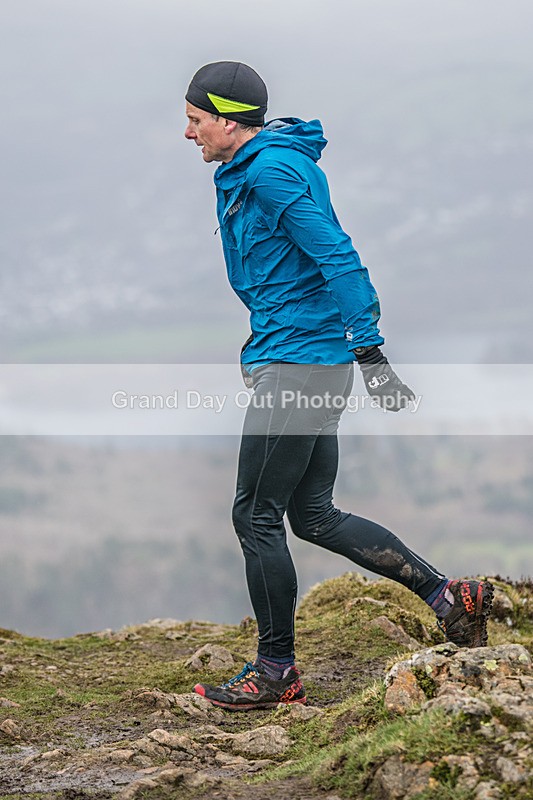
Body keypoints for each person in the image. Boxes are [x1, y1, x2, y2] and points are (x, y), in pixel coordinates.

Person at [183, 61, 493, 711]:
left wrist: (371, 352)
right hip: (304, 355)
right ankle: (448, 597)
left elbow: (337, 255)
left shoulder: (269, 169)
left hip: (302, 363)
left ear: (227, 119)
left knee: (254, 515)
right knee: (313, 515)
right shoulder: (255, 166)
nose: (187, 134)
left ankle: (276, 671)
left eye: (194, 120)